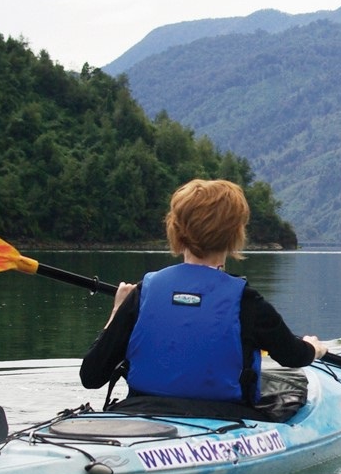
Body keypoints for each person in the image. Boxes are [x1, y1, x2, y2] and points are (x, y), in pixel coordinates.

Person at [80, 179, 328, 420]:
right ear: (236, 235)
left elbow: (91, 376)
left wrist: (116, 313)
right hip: (226, 417)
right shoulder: (247, 302)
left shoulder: (143, 294)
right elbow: (293, 356)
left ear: (175, 231)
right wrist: (313, 349)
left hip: (141, 411)